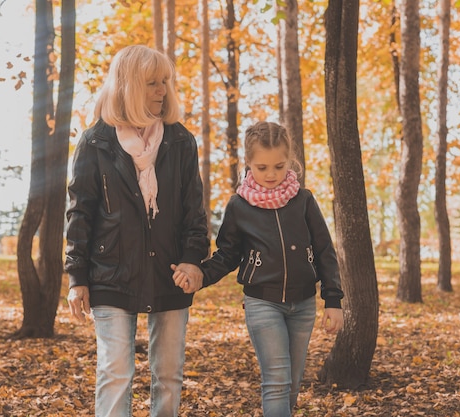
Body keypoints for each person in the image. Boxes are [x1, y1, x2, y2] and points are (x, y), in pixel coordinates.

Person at [64, 45, 209, 417]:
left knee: (168, 374)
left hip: (170, 273)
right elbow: (80, 212)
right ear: (128, 86)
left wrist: (193, 259)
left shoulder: (180, 141)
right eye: (152, 83)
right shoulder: (95, 142)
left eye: (165, 82)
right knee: (115, 372)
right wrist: (76, 276)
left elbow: (194, 211)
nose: (162, 90)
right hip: (110, 273)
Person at [174, 121, 344, 416]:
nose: (271, 175)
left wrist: (333, 300)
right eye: (262, 167)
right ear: (248, 163)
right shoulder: (239, 206)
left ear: (290, 161)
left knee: (291, 384)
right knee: (277, 382)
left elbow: (325, 251)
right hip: (262, 304)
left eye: (279, 166)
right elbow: (227, 255)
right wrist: (200, 276)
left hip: (303, 304)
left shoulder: (303, 200)